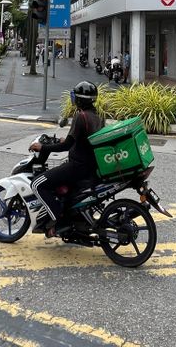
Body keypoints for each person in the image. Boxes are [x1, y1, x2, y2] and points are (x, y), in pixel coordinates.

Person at [29, 81, 105, 238]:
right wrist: (68, 141)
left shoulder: (80, 116)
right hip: (90, 167)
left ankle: (59, 220)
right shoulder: (97, 117)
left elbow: (66, 147)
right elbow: (83, 141)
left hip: (77, 167)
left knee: (37, 184)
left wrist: (42, 148)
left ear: (79, 100)